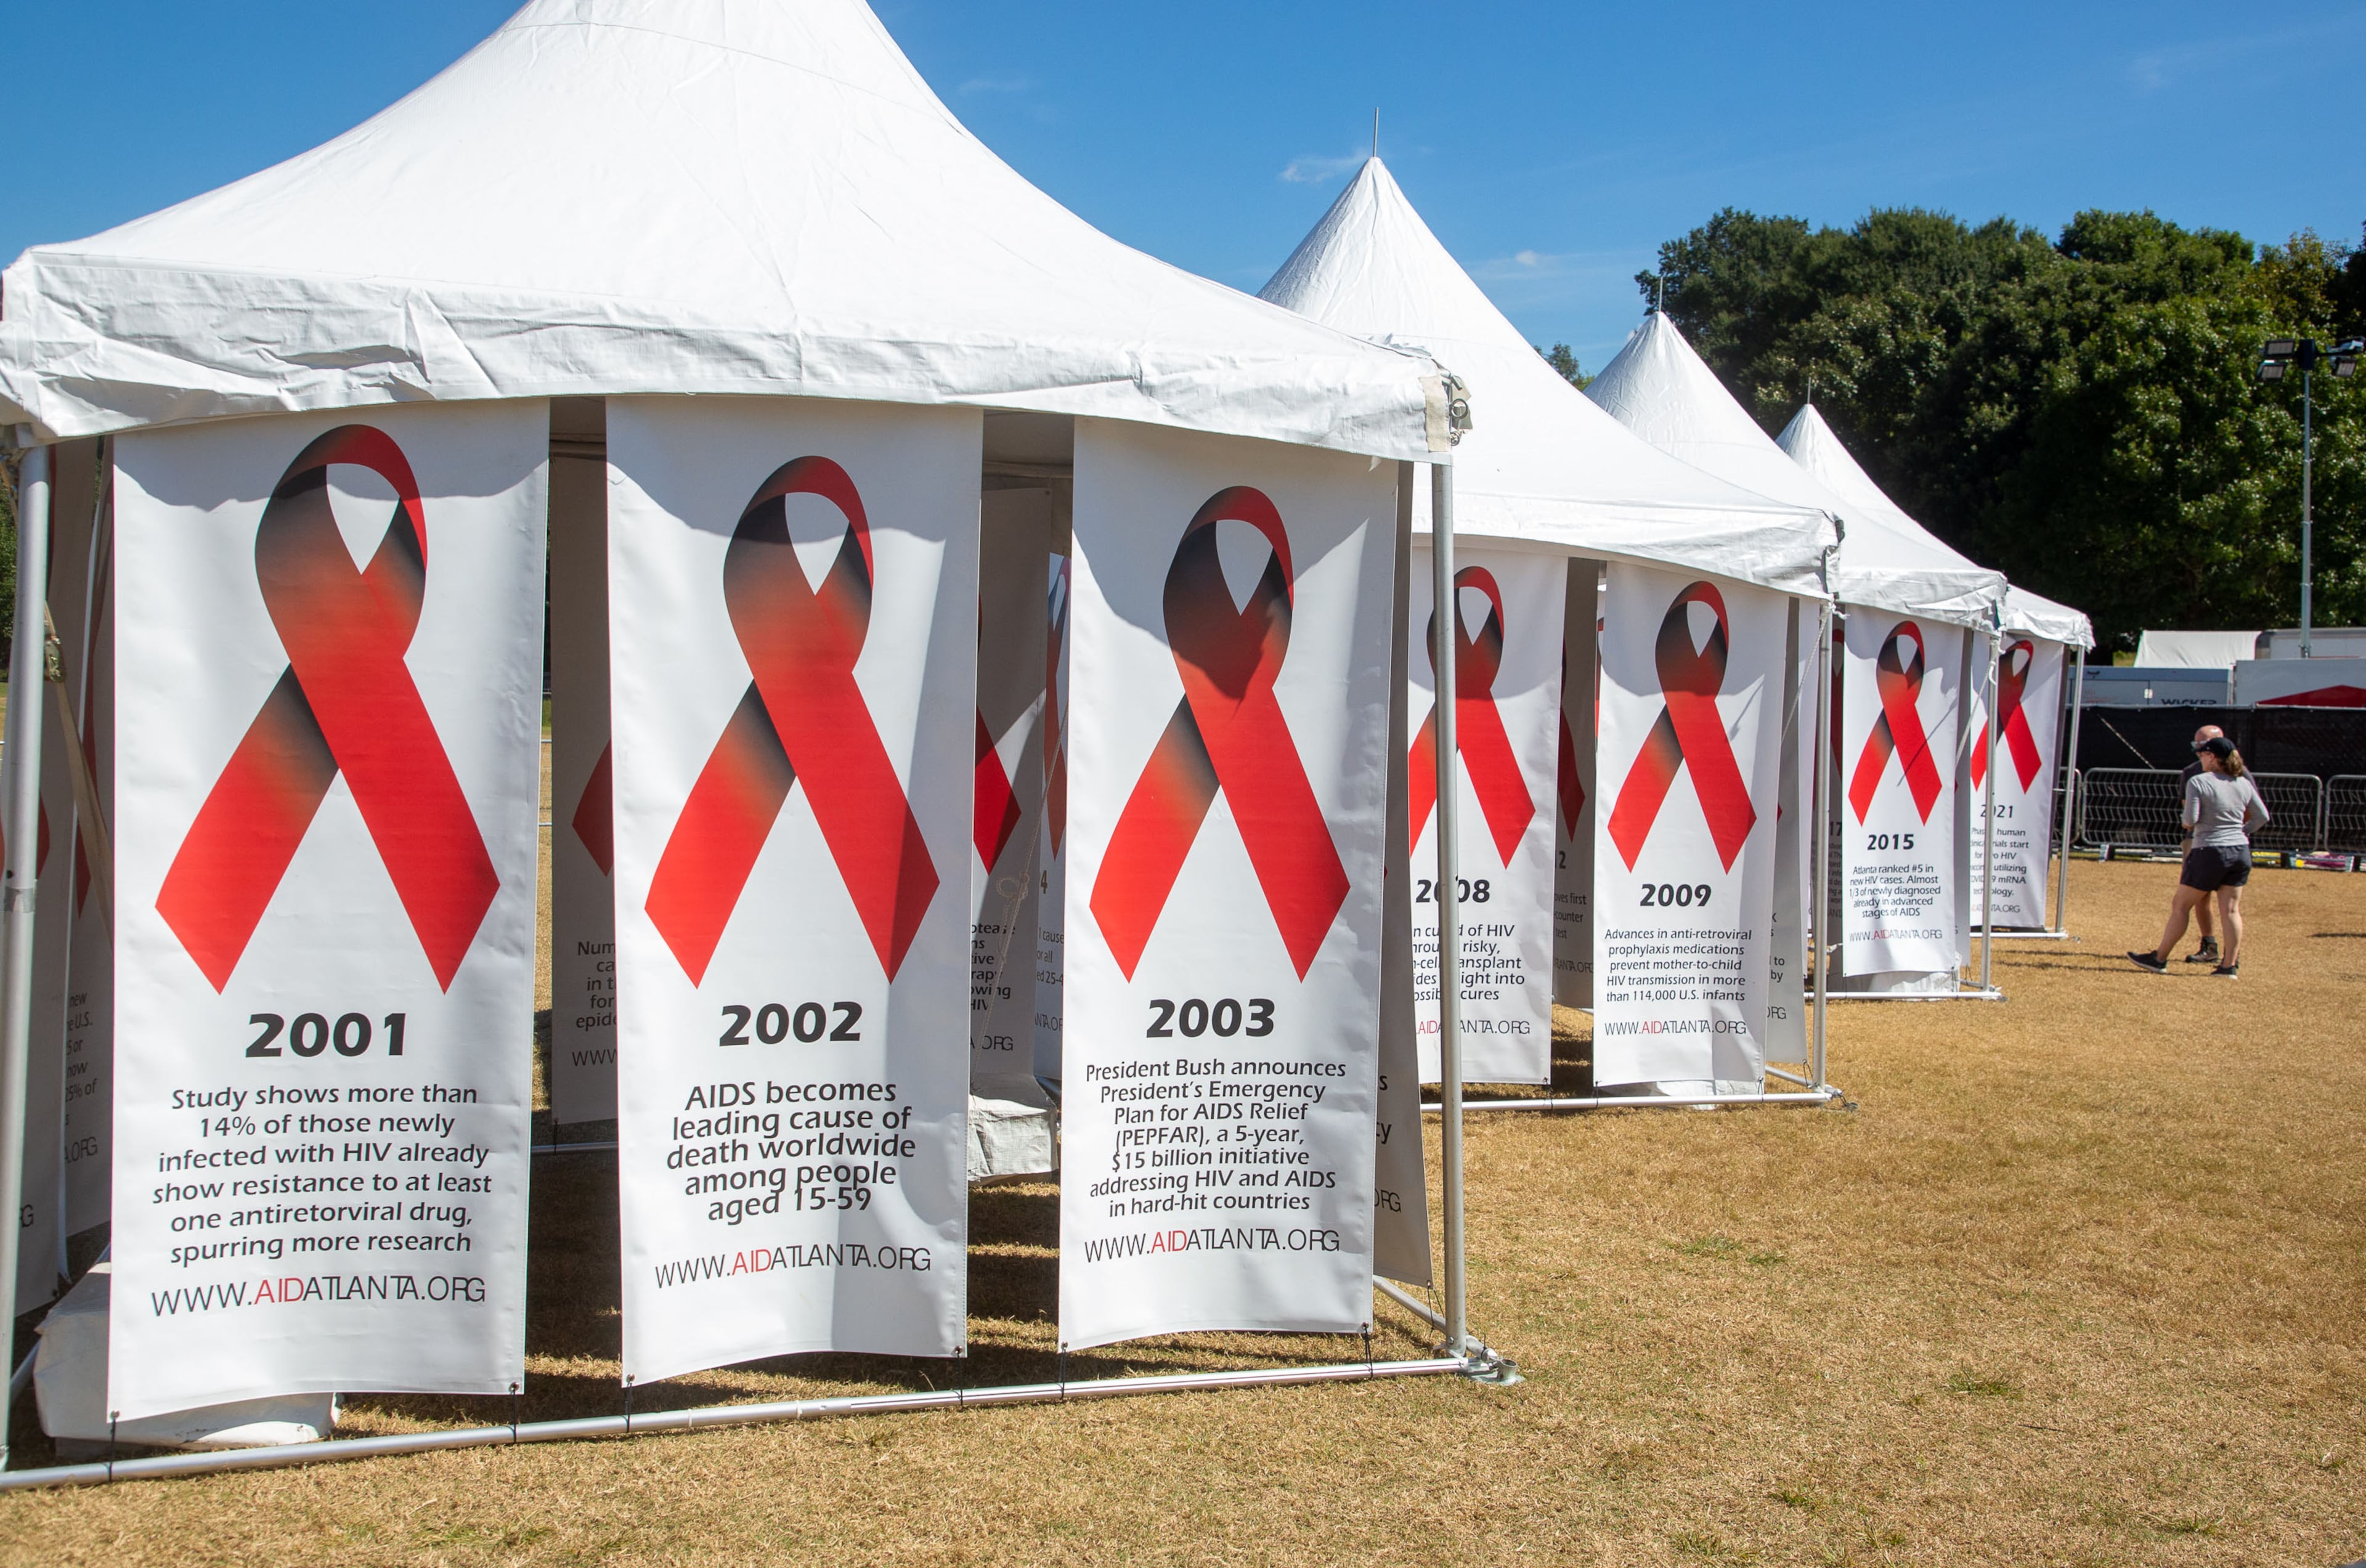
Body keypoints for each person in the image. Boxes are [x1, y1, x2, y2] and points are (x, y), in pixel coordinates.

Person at [2129, 737, 2266, 977]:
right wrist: (2241, 831)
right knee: (2231, 910)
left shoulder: (2199, 782)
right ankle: (2229, 965)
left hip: (2209, 851)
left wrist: (2192, 821)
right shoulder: (2242, 783)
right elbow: (2262, 816)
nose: (2200, 758)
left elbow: (2190, 820)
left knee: (2181, 906)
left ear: (2212, 757)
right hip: (2240, 851)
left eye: (2202, 755)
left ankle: (2159, 958)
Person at [2177, 725, 2226, 963]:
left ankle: (2231, 957)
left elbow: (2252, 811)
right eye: (2195, 746)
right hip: (2198, 842)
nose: (2197, 751)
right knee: (2199, 897)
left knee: (2229, 902)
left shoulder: (2239, 773)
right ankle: (2210, 944)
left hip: (2222, 843)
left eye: (2202, 746)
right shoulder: (2191, 773)